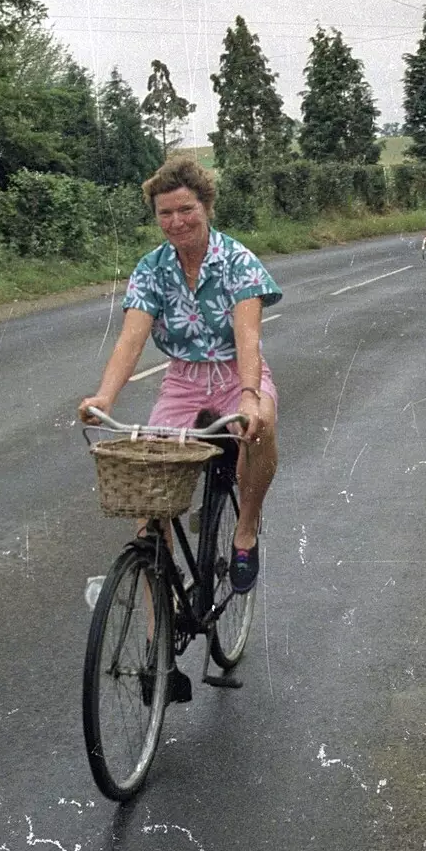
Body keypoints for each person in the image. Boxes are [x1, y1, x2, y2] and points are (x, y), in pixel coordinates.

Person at [78, 156, 280, 593]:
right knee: (148, 493)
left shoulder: (237, 261)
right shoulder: (151, 269)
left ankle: (245, 530)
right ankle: (159, 635)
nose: (176, 221)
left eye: (186, 209)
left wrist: (249, 395)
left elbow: (248, 338)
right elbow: (131, 339)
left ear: (206, 206)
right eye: (165, 213)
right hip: (183, 379)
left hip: (235, 373)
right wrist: (105, 397)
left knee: (261, 424)